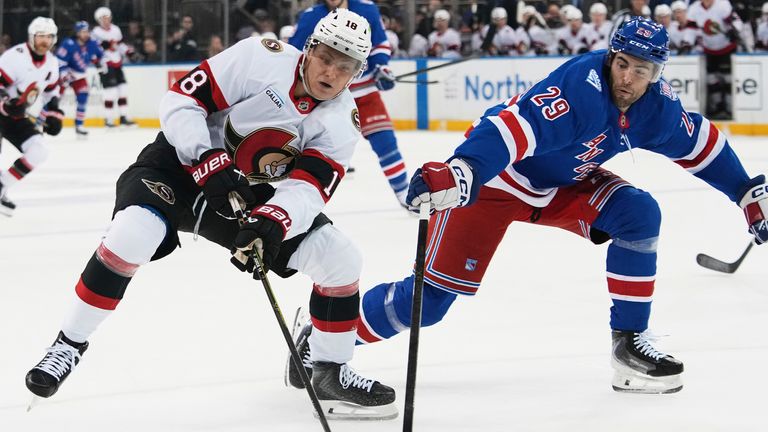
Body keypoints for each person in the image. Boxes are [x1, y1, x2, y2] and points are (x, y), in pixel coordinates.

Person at [288, 17, 768, 395]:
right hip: (498, 179)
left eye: (641, 70)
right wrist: (465, 171)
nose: (628, 76)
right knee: (431, 303)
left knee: (640, 214)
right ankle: (323, 339)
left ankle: (629, 344)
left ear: (656, 73)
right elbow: (509, 132)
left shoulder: (656, 107)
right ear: (611, 56)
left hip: (564, 185)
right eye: (622, 63)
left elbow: (702, 145)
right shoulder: (579, 90)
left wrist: (747, 193)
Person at [24, 8, 396, 420]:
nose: (331, 72)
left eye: (344, 67)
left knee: (340, 260)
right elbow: (183, 99)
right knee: (134, 233)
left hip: (245, 194)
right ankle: (68, 344)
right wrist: (206, 157)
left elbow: (308, 191)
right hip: (180, 164)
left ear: (357, 72)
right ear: (308, 50)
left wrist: (271, 222)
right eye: (325, 57)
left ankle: (329, 368)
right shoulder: (261, 57)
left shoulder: (342, 122)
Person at [290, 0, 409, 207]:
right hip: (324, 96)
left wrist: (382, 67)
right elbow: (294, 52)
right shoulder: (311, 16)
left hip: (363, 91)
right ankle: (294, 202)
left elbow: (379, 43)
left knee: (385, 142)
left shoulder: (367, 9)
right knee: (307, 150)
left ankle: (404, 193)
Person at [0, 17, 63, 216]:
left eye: (49, 37)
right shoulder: (15, 56)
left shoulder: (52, 63)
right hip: (4, 110)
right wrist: (5, 103)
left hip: (14, 115)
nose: (45, 41)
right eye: (41, 37)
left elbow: (51, 93)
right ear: (31, 37)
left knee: (39, 151)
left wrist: (54, 114)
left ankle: (1, 186)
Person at [687, 0, 744, 120]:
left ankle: (729, 108)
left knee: (728, 79)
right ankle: (716, 108)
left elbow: (736, 21)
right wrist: (687, 42)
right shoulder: (694, 8)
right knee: (712, 80)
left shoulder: (723, 4)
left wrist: (734, 30)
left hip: (727, 48)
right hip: (708, 49)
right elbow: (691, 29)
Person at [54, 20, 103, 138]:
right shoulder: (69, 43)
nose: (86, 34)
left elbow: (100, 55)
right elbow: (59, 61)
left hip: (79, 75)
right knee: (54, 98)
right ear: (77, 33)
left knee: (83, 97)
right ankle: (41, 121)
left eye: (87, 31)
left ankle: (79, 125)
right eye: (83, 32)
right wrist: (64, 74)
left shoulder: (92, 43)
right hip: (64, 73)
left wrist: (100, 63)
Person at [91, 6, 136, 127]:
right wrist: (103, 51)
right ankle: (109, 119)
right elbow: (94, 49)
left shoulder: (116, 29)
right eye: (103, 18)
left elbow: (119, 45)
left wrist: (128, 51)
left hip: (117, 62)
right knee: (110, 92)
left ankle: (123, 117)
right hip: (105, 64)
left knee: (122, 89)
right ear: (99, 20)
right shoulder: (95, 32)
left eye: (108, 18)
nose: (106, 20)